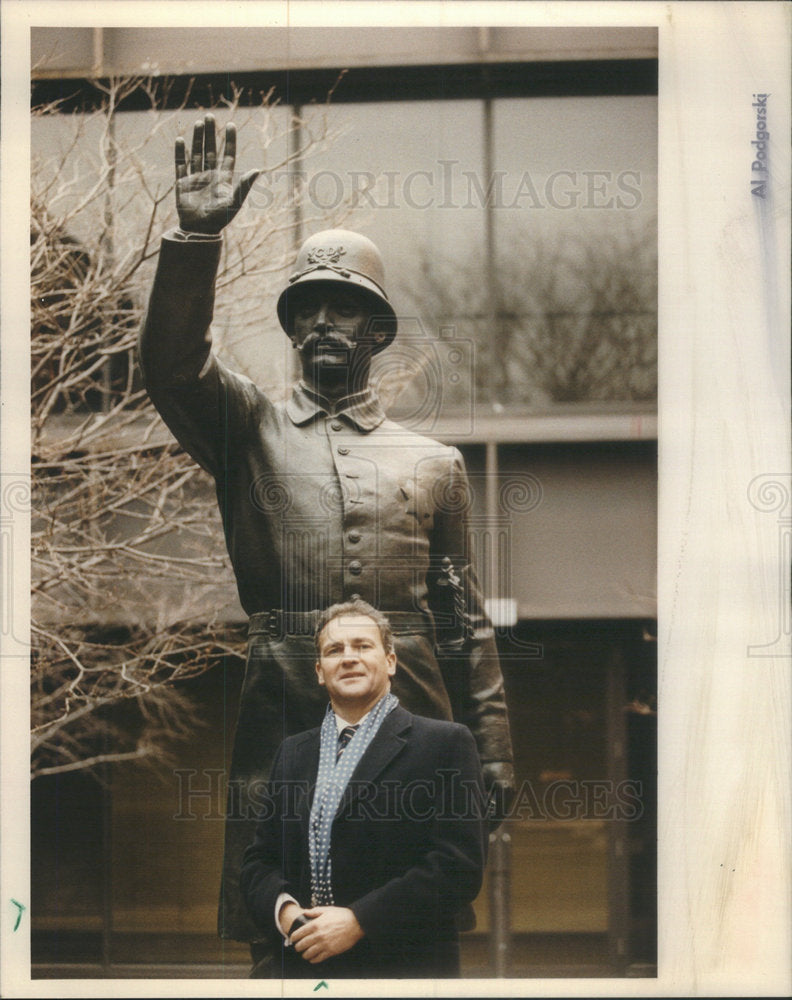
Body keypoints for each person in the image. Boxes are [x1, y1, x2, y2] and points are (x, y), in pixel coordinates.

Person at [138, 113, 514, 948]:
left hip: (412, 701)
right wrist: (194, 243)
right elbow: (170, 367)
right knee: (282, 920)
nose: (320, 325)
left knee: (409, 916)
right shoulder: (248, 429)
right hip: (282, 702)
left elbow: (463, 618)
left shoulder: (435, 463)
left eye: (341, 309)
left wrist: (492, 749)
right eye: (304, 311)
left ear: (376, 331)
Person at [239, 599, 489, 978]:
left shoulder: (444, 743)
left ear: (390, 662)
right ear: (320, 671)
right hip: (307, 968)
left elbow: (459, 868)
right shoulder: (293, 752)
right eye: (335, 650)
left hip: (403, 971)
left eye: (362, 645)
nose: (349, 657)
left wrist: (359, 920)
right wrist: (288, 914)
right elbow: (259, 861)